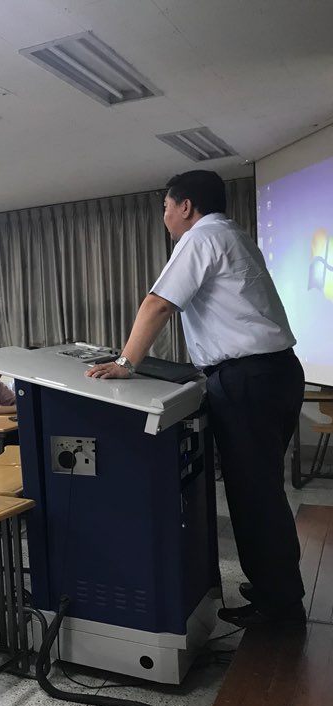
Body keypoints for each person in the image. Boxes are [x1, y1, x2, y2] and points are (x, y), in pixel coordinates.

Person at [86, 169, 305, 628]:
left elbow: (158, 303)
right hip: (276, 372)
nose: (165, 216)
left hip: (247, 379)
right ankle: (275, 584)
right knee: (263, 488)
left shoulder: (200, 237)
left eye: (166, 207)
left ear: (186, 206)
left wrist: (125, 363)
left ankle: (280, 605)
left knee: (254, 493)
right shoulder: (233, 235)